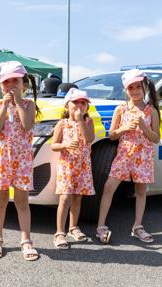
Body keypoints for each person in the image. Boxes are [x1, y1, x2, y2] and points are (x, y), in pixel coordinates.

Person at [96, 68, 161, 244]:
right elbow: (111, 135)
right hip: (124, 154)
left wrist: (143, 126)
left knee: (141, 191)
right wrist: (124, 128)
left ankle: (138, 226)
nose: (135, 90)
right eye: (131, 87)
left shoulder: (151, 111)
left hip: (143, 156)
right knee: (109, 187)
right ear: (126, 90)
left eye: (138, 86)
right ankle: (101, 226)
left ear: (144, 88)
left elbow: (156, 138)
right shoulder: (121, 109)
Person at [0, 60, 41, 261]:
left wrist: (17, 102)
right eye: (6, 81)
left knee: (22, 202)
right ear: (1, 85)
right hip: (2, 159)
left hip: (23, 161)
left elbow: (27, 125)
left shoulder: (29, 105)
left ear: (24, 84)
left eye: (15, 81)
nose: (11, 85)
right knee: (0, 200)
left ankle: (26, 240)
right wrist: (5, 106)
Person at [51, 88, 95, 249]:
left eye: (83, 103)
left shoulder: (88, 122)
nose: (79, 105)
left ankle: (73, 227)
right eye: (75, 102)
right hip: (67, 166)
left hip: (83, 166)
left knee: (78, 198)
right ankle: (59, 232)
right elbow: (53, 145)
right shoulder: (62, 124)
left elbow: (89, 138)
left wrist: (81, 121)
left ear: (87, 107)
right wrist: (65, 145)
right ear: (66, 106)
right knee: (65, 198)